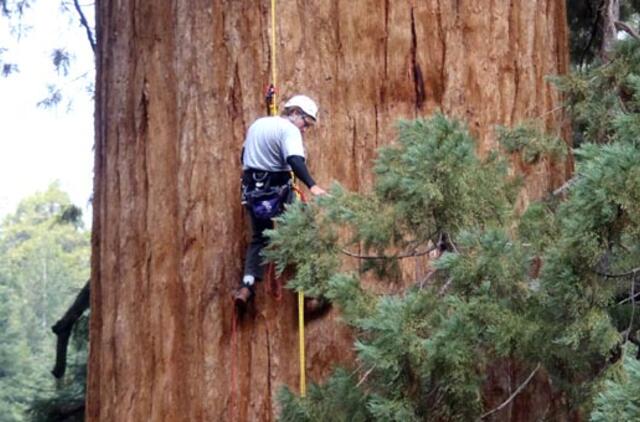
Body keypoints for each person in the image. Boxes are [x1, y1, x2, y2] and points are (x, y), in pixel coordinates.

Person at [234, 95, 326, 310]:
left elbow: (243, 155)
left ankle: (246, 286)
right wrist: (312, 185)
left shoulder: (258, 124)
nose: (304, 129)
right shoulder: (289, 130)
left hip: (253, 191)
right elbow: (294, 160)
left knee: (260, 238)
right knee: (302, 232)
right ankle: (312, 290)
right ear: (294, 113)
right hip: (278, 191)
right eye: (306, 123)